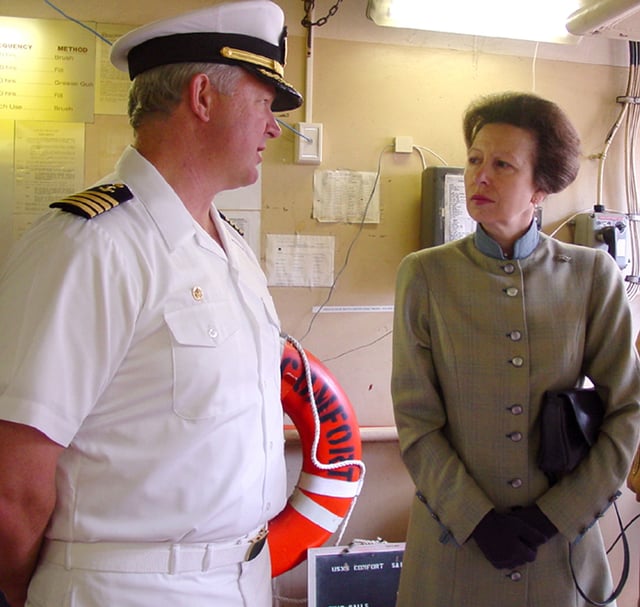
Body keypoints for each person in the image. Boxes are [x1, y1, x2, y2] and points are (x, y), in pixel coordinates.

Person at [0, 1, 302, 606]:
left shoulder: (231, 252)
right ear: (202, 96)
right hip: (124, 588)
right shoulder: (90, 246)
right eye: (266, 102)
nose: (276, 127)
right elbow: (14, 483)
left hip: (241, 579)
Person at [391, 91, 640, 606]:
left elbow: (629, 409)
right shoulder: (425, 275)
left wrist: (560, 515)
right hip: (454, 544)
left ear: (540, 188)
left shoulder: (591, 275)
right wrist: (475, 520)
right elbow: (417, 422)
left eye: (502, 164)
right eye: (475, 160)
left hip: (560, 549)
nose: (480, 176)